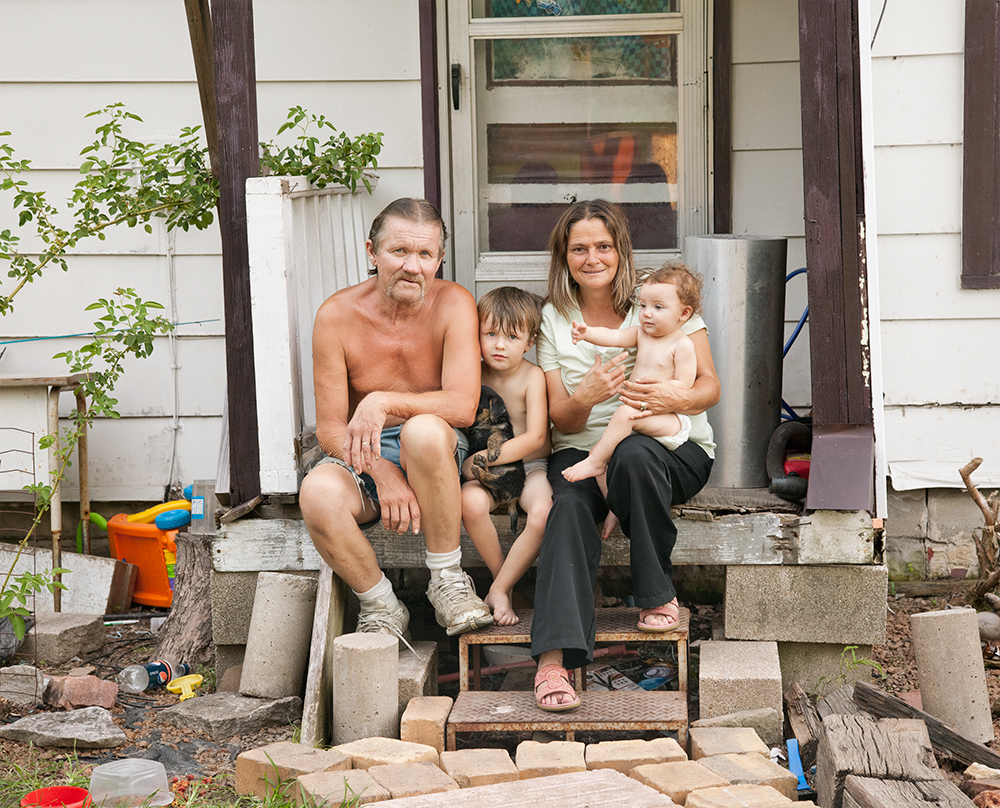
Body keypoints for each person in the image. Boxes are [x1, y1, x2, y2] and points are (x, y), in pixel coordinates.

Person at [530, 199, 719, 712]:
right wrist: (587, 394)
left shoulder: (661, 300)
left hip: (671, 450)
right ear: (563, 256)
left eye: (603, 246)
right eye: (579, 248)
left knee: (633, 453)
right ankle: (553, 663)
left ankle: (656, 593)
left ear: (621, 250)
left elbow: (709, 386)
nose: (592, 257)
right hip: (581, 451)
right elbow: (561, 420)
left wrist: (670, 400)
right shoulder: (554, 318)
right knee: (566, 509)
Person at [299, 198, 493, 642]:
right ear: (372, 252)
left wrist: (382, 401)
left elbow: (462, 407)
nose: (413, 266)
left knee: (421, 430)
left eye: (425, 254)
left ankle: (447, 581)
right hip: (362, 453)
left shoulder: (455, 304)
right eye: (399, 252)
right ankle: (382, 605)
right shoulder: (336, 316)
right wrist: (380, 471)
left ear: (440, 259)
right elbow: (331, 429)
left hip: (434, 448)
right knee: (318, 494)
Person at [460, 286, 552, 626]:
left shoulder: (533, 377)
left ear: (530, 342)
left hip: (530, 467)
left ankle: (498, 588)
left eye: (512, 337)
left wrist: (484, 459)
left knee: (542, 514)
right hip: (487, 478)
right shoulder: (473, 374)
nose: (499, 344)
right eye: (491, 334)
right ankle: (504, 585)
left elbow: (537, 437)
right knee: (468, 503)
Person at [562, 264, 703, 485]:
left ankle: (595, 463)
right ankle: (613, 511)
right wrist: (587, 332)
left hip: (667, 420)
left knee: (622, 416)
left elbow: (683, 387)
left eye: (658, 307)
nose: (647, 313)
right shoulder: (641, 334)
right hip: (637, 415)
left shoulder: (682, 344)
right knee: (599, 449)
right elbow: (613, 336)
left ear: (683, 313)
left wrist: (658, 393)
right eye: (643, 305)